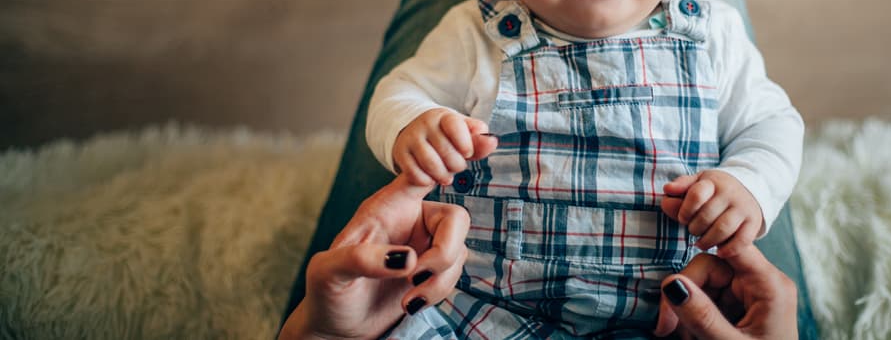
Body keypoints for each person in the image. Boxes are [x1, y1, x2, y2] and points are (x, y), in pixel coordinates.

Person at [282, 0, 818, 338]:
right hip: (490, 311)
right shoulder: (478, 31)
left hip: (659, 314)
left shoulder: (710, 35)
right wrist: (413, 125)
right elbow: (399, 93)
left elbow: (767, 123)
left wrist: (750, 183)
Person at [278, 171, 799, 340]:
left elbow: (406, 92)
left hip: (455, 288)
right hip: (682, 301)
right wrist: (752, 184)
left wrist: (325, 334)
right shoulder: (710, 31)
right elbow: (768, 120)